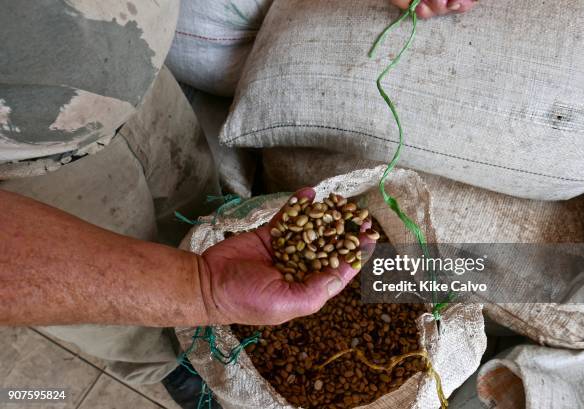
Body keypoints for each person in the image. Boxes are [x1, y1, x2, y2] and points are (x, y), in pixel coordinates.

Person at [0, 1, 475, 408]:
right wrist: (202, 290)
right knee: (140, 328)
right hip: (24, 159)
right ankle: (181, 371)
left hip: (124, 66)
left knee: (195, 196)